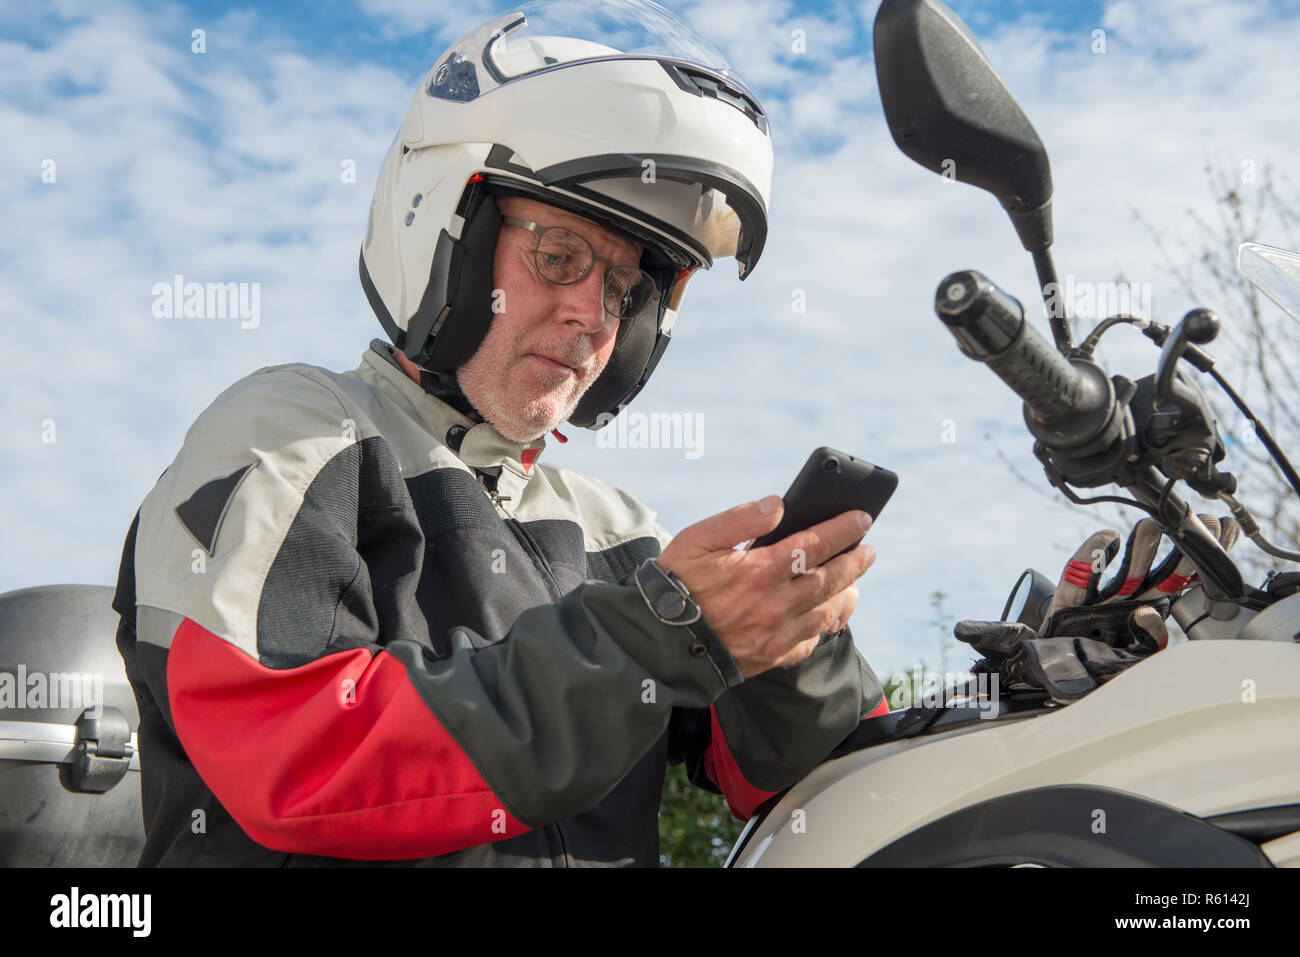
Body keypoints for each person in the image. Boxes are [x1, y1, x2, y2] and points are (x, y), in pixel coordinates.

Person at [110, 0, 887, 867]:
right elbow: (297, 753)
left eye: (626, 289)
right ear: (448, 233)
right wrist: (655, 635)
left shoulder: (619, 533)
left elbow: (777, 779)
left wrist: (793, 639)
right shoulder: (293, 433)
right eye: (557, 256)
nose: (594, 316)